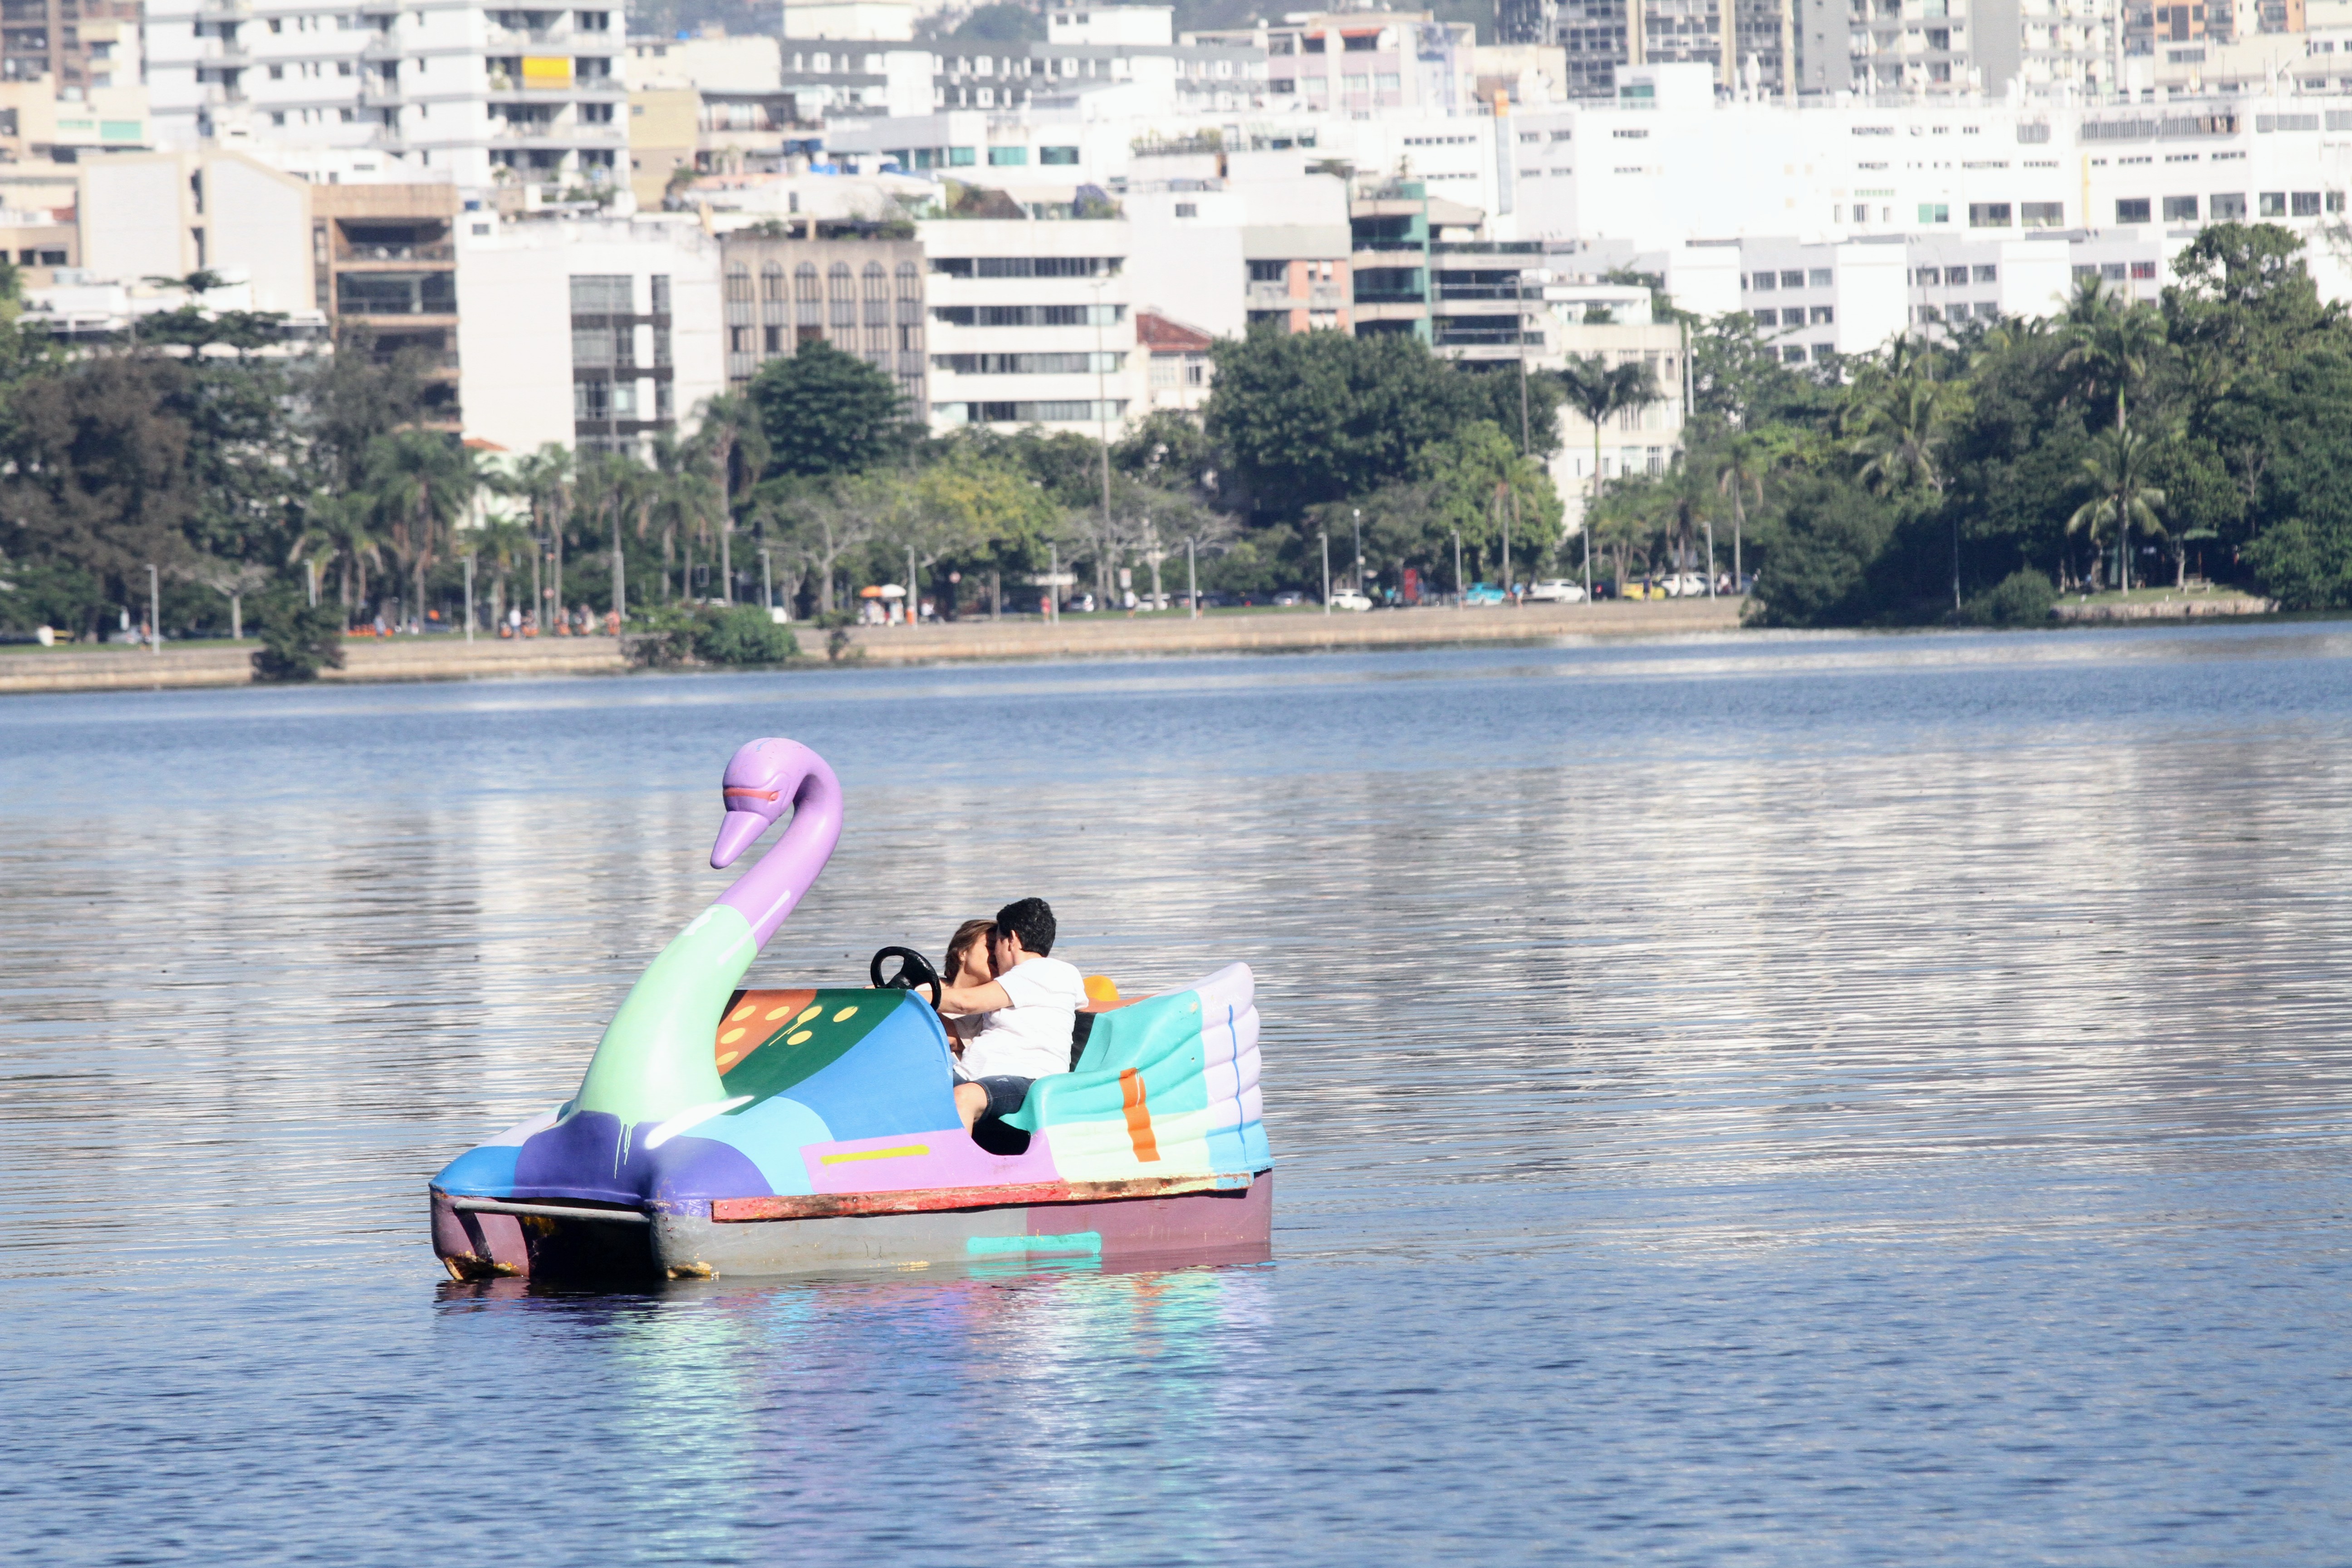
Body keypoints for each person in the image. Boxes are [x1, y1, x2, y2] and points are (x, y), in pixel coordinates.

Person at [928, 897, 1086, 1133]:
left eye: (996, 944)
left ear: (1011, 940)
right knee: (911, 1087)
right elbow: (954, 1032)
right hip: (973, 1076)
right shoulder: (1008, 986)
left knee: (964, 1097)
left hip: (1027, 1080)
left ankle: (955, 1169)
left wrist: (903, 997)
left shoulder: (1047, 970)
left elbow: (965, 1003)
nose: (994, 954)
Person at [936, 918, 995, 1061]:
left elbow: (950, 1038)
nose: (996, 955)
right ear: (963, 952)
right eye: (990, 947)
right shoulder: (925, 986)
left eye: (1001, 950)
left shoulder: (995, 1004)